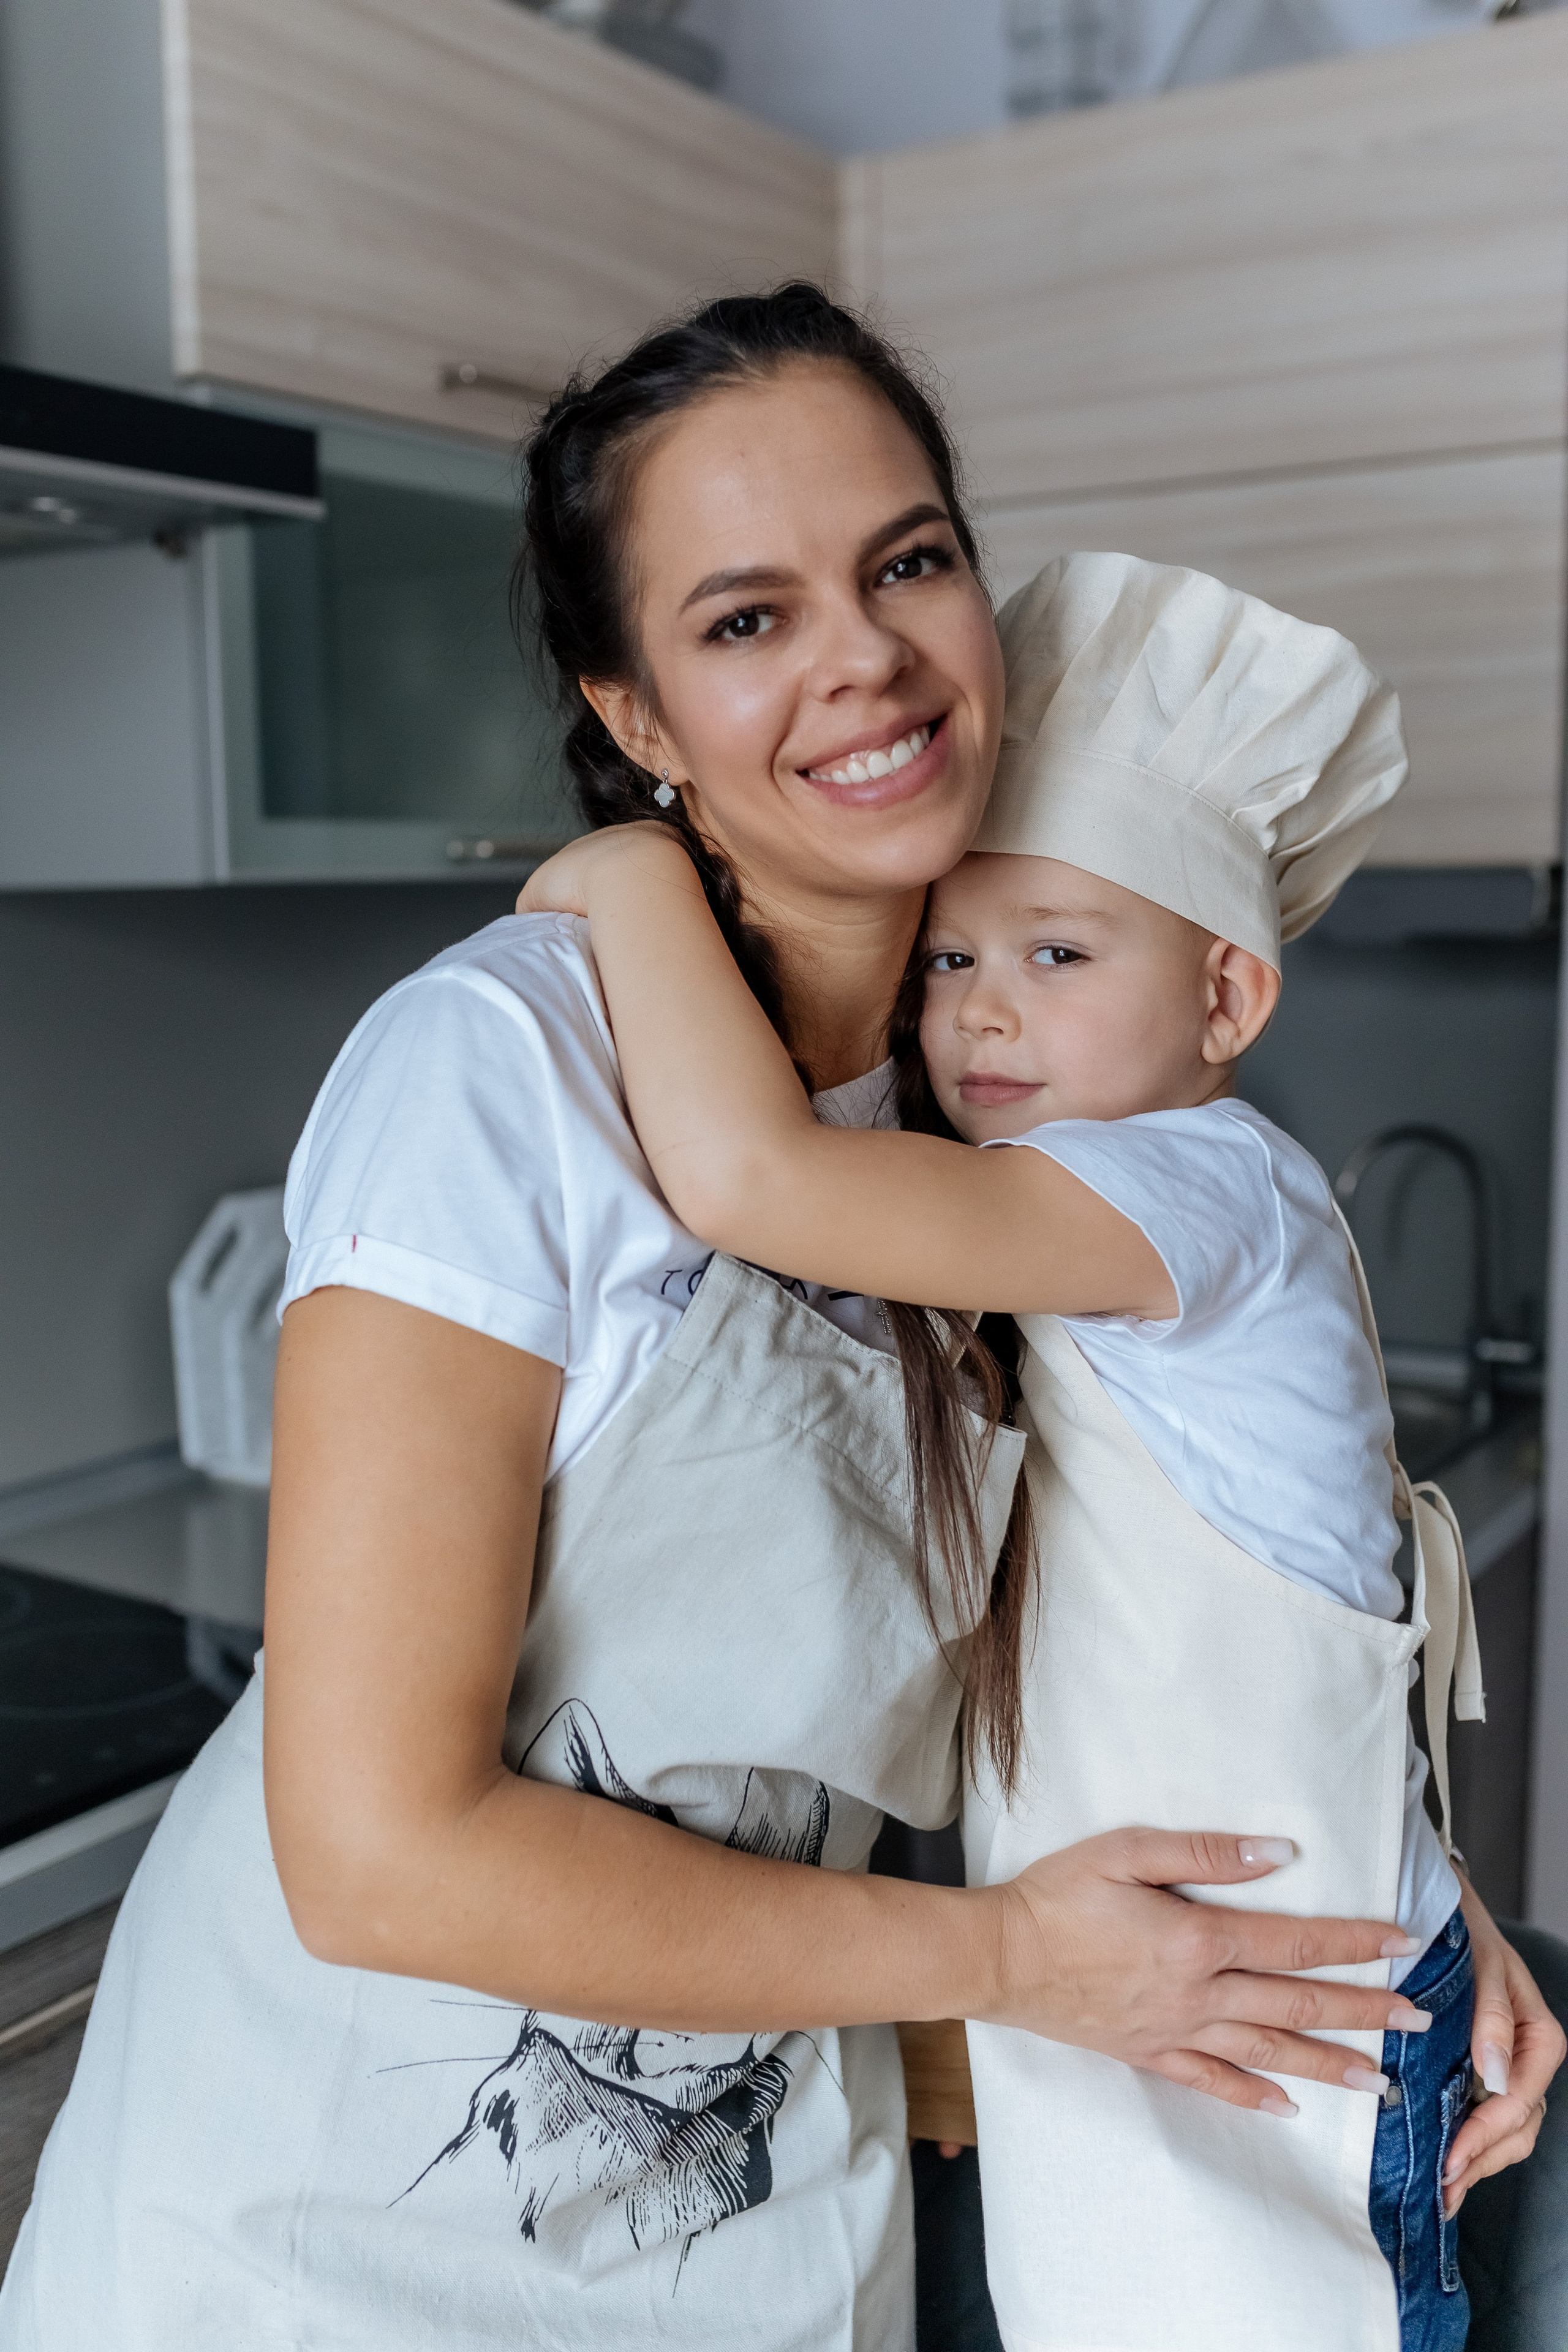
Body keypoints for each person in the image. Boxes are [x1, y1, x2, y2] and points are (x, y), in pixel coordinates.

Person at [0, 292, 1513, 2352]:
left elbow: (1192, 1569)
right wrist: (1004, 1961)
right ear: (634, 718)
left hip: (772, 2236)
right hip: (336, 2255)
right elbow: (378, 1859)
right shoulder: (500, 1071)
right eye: (743, 621)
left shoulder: (989, 1097)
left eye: (907, 563)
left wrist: (1394, 1910)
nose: (863, 657)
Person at [513, 547, 1565, 2351]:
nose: (983, 1010)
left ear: (1227, 1002)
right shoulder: (1097, 1211)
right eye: (954, 961)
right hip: (1190, 1990)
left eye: (1059, 956)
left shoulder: (1200, 1187)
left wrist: (624, 873)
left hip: (1278, 2028)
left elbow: (757, 1179)